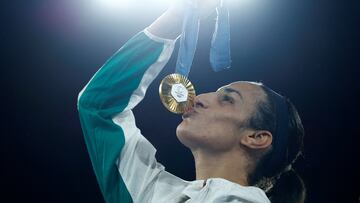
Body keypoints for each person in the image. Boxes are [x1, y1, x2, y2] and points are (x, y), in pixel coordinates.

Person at [77, 1, 306, 202]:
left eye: (227, 99)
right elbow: (98, 106)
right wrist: (176, 19)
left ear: (256, 138)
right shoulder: (153, 194)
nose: (198, 98)